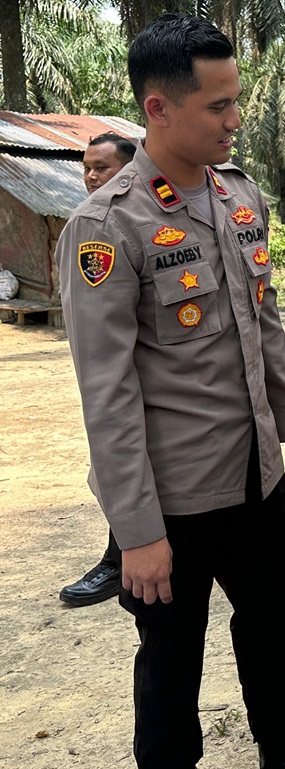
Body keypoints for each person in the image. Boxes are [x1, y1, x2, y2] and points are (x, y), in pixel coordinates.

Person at [56, 14, 285, 769]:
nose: (235, 119)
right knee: (172, 661)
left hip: (256, 480)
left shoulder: (238, 200)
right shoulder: (108, 226)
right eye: (217, 106)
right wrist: (136, 533)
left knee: (273, 638)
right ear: (158, 108)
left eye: (235, 100)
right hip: (174, 504)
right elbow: (106, 396)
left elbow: (266, 326)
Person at [58, 131, 138, 608]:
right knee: (115, 468)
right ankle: (118, 558)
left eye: (101, 168)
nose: (90, 176)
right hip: (111, 382)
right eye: (86, 167)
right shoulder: (86, 225)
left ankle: (118, 561)